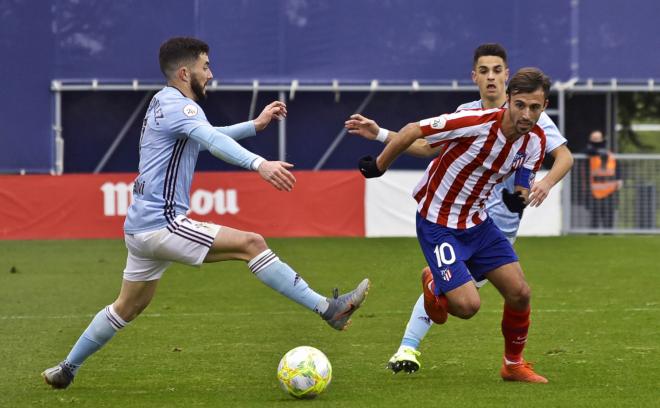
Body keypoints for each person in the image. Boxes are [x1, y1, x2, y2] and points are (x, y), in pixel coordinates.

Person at [42, 37, 370, 389]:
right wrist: (260, 163)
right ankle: (328, 309)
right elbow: (212, 142)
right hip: (162, 224)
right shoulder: (182, 107)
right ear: (185, 72)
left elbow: (206, 136)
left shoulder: (162, 102)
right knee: (252, 243)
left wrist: (255, 126)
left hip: (138, 228)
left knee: (127, 307)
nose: (211, 74)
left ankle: (66, 368)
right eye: (206, 66)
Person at [346, 43, 572, 375]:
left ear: (544, 106)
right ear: (509, 99)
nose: (526, 115)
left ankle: (512, 365)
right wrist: (380, 166)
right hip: (438, 222)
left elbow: (525, 177)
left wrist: (520, 196)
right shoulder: (472, 119)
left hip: (479, 223)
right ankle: (431, 290)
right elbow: (415, 133)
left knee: (520, 293)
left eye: (534, 108)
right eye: (520, 105)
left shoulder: (536, 138)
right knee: (467, 307)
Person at [585, 130, 621, 229]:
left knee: (608, 218)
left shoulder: (610, 154)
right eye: (594, 139)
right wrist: (596, 152)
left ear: (602, 139)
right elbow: (586, 151)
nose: (596, 141)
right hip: (594, 192)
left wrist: (619, 179)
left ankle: (609, 236)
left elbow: (617, 166)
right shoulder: (589, 154)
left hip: (610, 191)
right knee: (594, 219)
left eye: (598, 138)